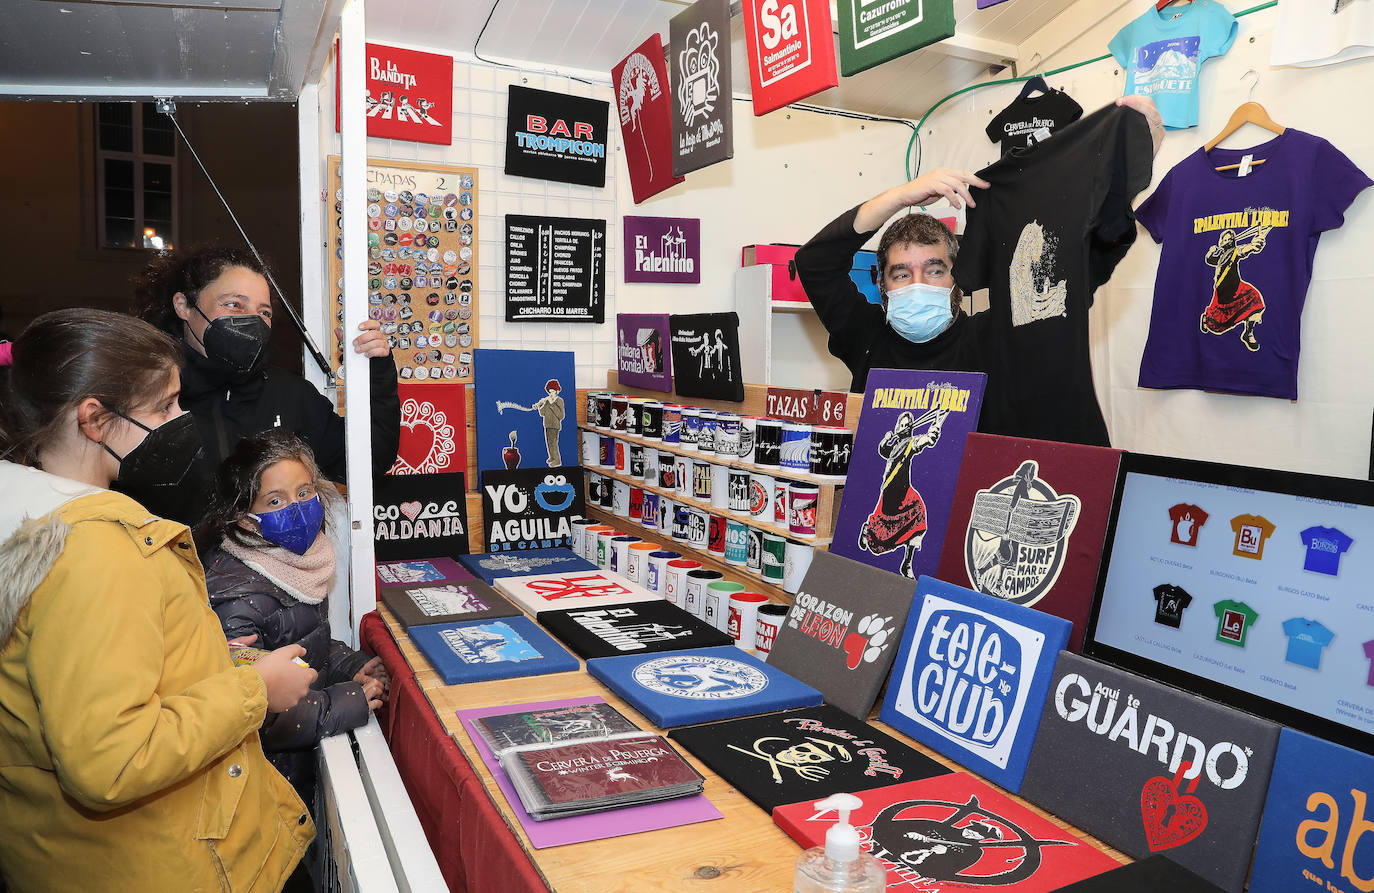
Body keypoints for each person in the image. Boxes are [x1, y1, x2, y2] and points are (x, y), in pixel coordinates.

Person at [0, 309, 318, 892]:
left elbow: (91, 678)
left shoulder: (29, 515)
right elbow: (113, 758)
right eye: (165, 406)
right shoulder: (97, 550)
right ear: (94, 419)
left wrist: (207, 659)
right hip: (160, 862)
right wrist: (256, 690)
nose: (182, 419)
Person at [795, 96, 1165, 446]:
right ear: (882, 284)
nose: (919, 284)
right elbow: (815, 263)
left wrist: (1132, 156)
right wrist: (900, 197)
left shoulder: (994, 339)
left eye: (935, 270)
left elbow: (1078, 266)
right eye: (902, 274)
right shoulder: (866, 340)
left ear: (958, 277)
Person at [132, 246, 401, 525]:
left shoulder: (291, 394)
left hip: (274, 566)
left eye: (264, 312)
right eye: (234, 304)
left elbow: (367, 461)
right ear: (184, 306)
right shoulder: (148, 398)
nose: (252, 320)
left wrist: (376, 371)